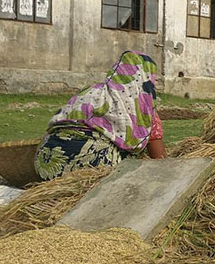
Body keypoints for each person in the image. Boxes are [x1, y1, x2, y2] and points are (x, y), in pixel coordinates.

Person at [34, 51, 167, 180]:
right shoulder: (144, 109)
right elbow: (160, 162)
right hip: (89, 166)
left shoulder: (89, 91)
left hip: (45, 162)